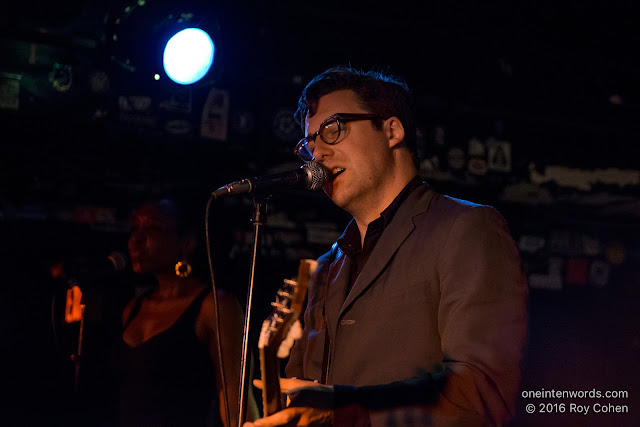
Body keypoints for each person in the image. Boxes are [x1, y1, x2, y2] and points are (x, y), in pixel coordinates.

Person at [246, 66, 528, 426]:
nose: (317, 153)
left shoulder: (467, 227)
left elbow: (480, 392)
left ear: (392, 130)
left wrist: (345, 409)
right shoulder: (324, 268)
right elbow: (307, 394)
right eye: (310, 143)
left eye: (333, 129)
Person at [110, 198, 249, 426]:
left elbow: (235, 400)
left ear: (187, 243)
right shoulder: (133, 308)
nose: (136, 239)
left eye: (153, 228)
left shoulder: (215, 306)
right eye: (134, 228)